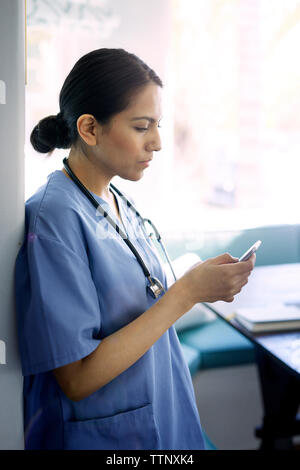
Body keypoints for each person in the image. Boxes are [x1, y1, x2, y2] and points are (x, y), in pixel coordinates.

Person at [15, 48, 255, 450]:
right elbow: (77, 379)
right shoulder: (53, 218)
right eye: (143, 127)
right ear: (89, 129)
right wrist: (188, 292)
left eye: (157, 125)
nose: (158, 143)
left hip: (161, 413)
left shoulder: (114, 199)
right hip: (105, 437)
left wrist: (197, 283)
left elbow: (140, 303)